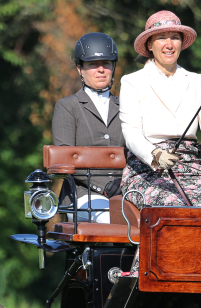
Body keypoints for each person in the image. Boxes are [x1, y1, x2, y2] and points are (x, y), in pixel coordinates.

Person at [118, 10, 201, 211]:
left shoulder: (196, 81)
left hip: (191, 169)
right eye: (162, 38)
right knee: (172, 210)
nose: (169, 44)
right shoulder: (132, 82)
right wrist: (155, 154)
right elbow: (131, 132)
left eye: (175, 38)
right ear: (150, 45)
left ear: (181, 43)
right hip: (146, 170)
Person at [52, 32, 126, 223]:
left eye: (106, 63)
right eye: (93, 64)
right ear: (80, 69)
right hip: (83, 195)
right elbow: (65, 157)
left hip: (125, 191)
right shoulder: (68, 106)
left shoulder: (127, 106)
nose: (101, 70)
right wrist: (105, 186)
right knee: (110, 218)